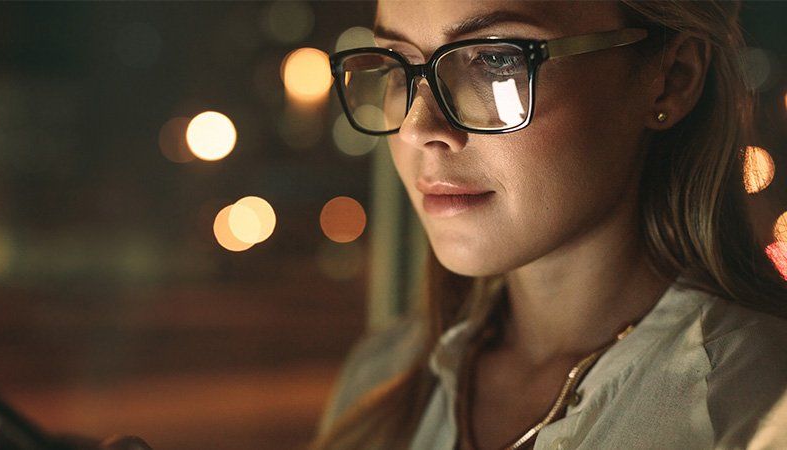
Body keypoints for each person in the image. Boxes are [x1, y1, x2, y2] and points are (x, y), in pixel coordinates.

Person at [311, 1, 787, 449]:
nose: (418, 127)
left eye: (496, 60)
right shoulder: (380, 379)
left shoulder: (753, 404)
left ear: (672, 78)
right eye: (396, 68)